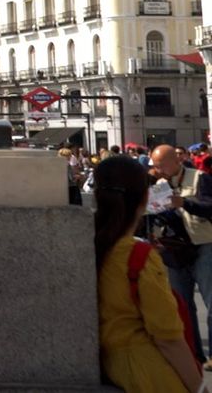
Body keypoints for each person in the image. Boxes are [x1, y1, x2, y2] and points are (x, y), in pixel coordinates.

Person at [95, 154, 203, 391]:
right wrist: (199, 387)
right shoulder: (138, 255)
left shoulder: (89, 247)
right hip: (147, 371)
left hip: (105, 364)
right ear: (145, 198)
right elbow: (168, 338)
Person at [146, 144, 212, 365]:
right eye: (155, 166)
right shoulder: (160, 184)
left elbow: (210, 207)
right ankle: (195, 354)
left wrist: (184, 203)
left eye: (161, 165)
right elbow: (156, 216)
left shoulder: (199, 178)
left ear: (176, 160)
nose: (158, 170)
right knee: (182, 305)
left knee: (211, 301)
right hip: (175, 249)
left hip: (204, 244)